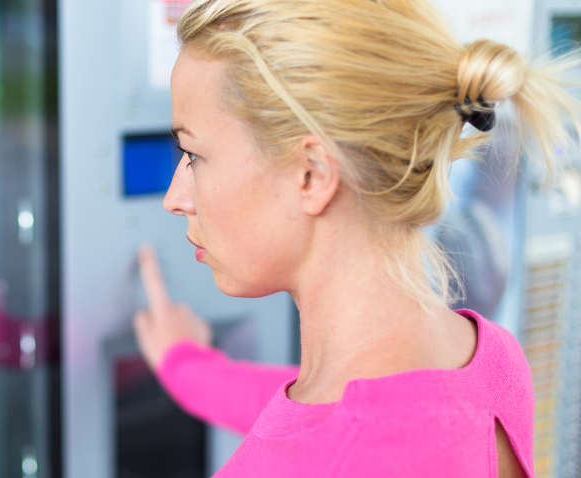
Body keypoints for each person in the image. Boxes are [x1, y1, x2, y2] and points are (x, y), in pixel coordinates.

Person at [132, 1, 580, 477]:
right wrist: (187, 368)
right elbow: (345, 418)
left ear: (312, 173)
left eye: (194, 154)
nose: (176, 198)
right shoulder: (493, 360)